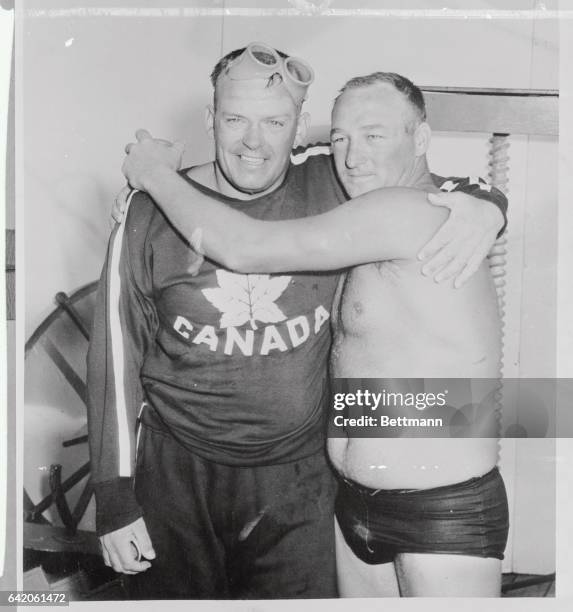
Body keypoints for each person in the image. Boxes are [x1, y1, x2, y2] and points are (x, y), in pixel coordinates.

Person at [89, 43, 507, 599]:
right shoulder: (154, 214)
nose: (254, 142)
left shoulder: (343, 187)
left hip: (318, 486)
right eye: (236, 119)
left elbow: (245, 245)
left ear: (296, 127)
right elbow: (113, 357)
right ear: (211, 120)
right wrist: (113, 496)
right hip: (201, 476)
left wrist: (488, 201)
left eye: (276, 122)